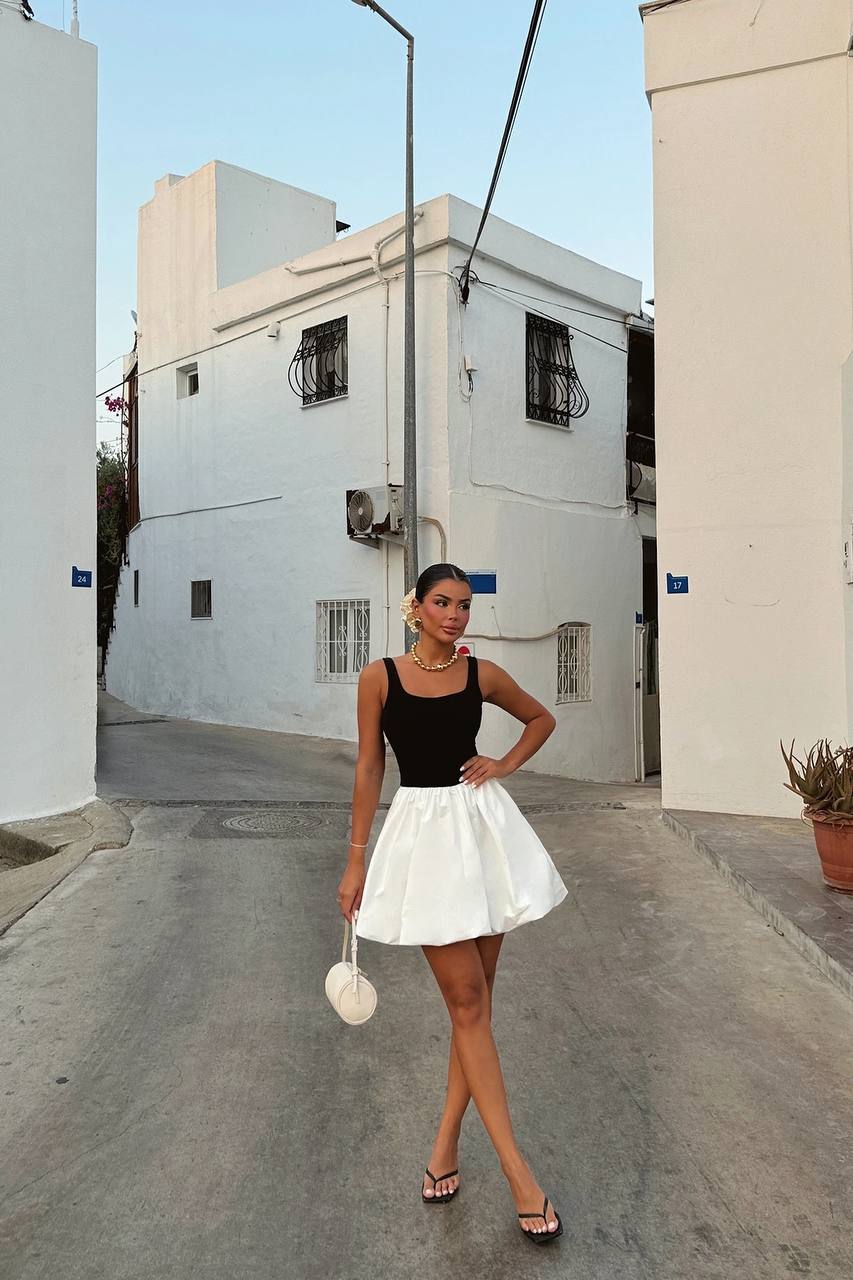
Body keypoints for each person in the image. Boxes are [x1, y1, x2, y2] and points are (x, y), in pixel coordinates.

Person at [337, 563, 569, 1244]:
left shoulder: (481, 674)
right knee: (467, 1003)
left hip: (481, 832)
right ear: (416, 606)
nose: (455, 614)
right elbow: (369, 766)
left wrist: (503, 764)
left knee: (474, 1010)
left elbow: (541, 718)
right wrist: (355, 860)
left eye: (464, 605)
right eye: (442, 602)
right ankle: (519, 1176)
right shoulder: (379, 677)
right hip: (424, 839)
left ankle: (443, 1146)